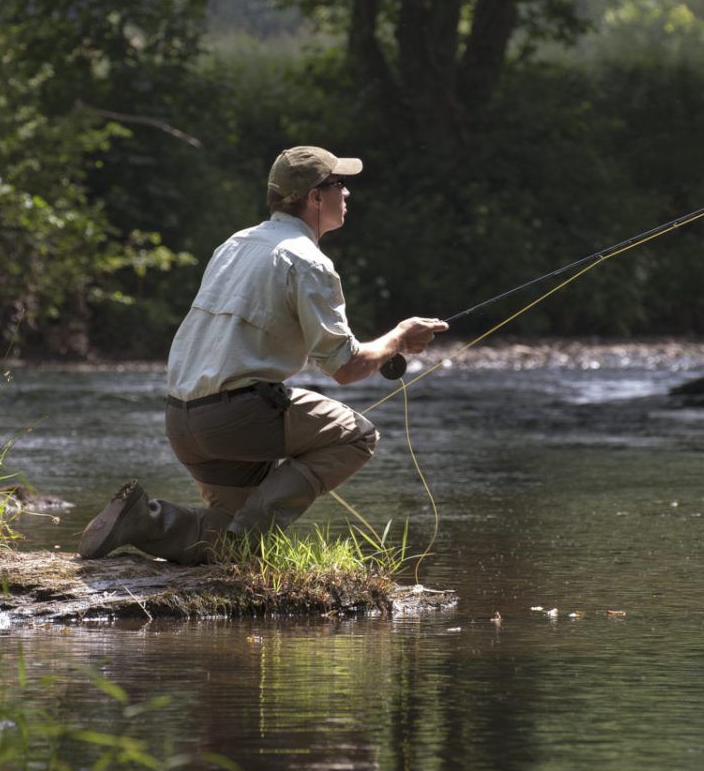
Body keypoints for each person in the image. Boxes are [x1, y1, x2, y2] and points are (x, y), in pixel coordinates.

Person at [77, 145, 447, 564]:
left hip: (180, 419)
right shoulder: (308, 260)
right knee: (358, 435)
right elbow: (346, 367)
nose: (347, 194)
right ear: (314, 196)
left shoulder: (235, 243)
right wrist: (399, 336)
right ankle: (245, 537)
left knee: (229, 542)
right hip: (235, 419)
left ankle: (143, 520)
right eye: (339, 184)